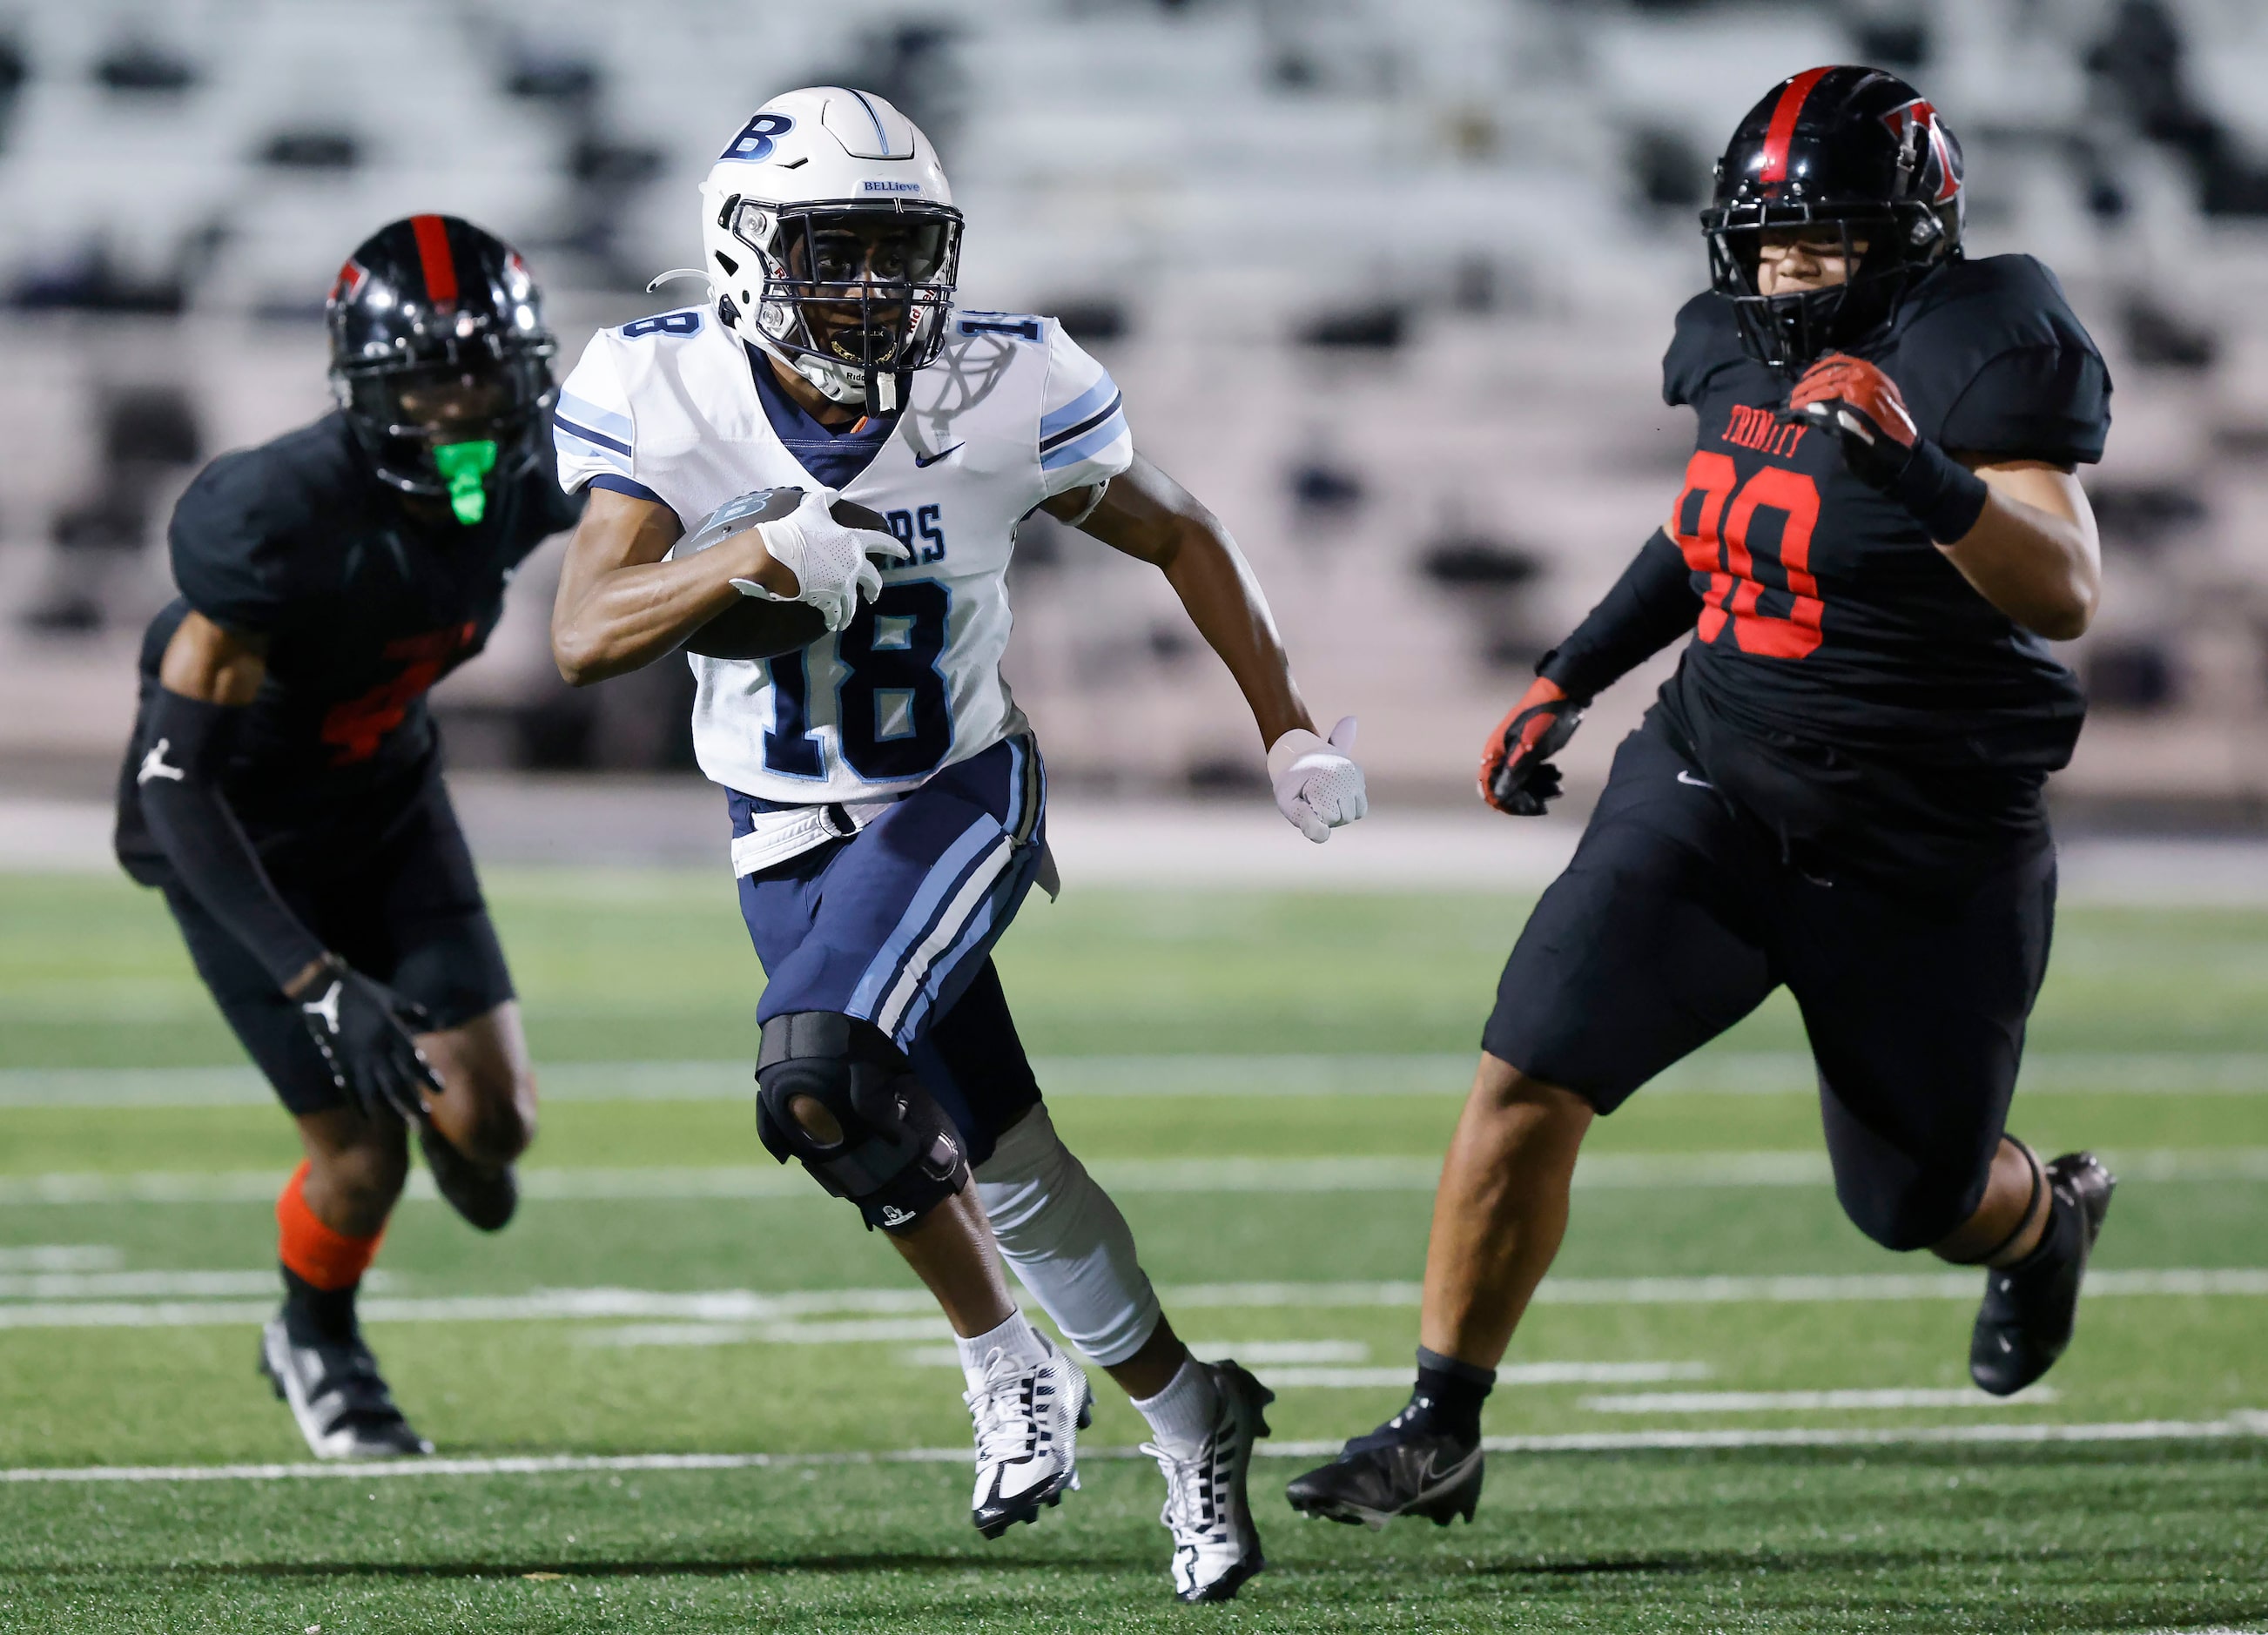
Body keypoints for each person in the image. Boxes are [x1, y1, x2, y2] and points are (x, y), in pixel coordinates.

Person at [548, 86, 1366, 1601]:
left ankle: (1006, 1363)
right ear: (743, 256)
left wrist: (1288, 725)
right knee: (990, 1152)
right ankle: (1191, 1414)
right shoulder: (660, 387)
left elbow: (1179, 528)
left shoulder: (1006, 380)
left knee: (816, 1068)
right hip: (780, 820)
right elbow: (585, 634)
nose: (876, 292)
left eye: (900, 253)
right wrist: (747, 553)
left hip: (958, 789)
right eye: (835, 254)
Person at [1287, 65, 2117, 1529]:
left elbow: (2063, 588)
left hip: (1920, 837)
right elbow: (1715, 516)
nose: (1786, 272)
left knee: (1910, 1202)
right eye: (1767, 242)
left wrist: (1920, 470)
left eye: (1823, 241)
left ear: (1912, 230)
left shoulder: (1986, 340)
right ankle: (1440, 1423)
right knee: (1527, 1065)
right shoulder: (1731, 346)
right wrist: (1572, 671)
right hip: (1712, 776)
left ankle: (2040, 1220)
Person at [113, 216, 580, 1458]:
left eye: (485, 372)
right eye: (430, 378)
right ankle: (314, 1332)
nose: (462, 405)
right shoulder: (273, 515)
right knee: (364, 1152)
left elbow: (647, 508)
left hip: (386, 803)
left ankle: (433, 1158)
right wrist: (317, 981)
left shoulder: (529, 475)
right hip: (239, 835)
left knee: (493, 1130)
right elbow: (174, 783)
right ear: (369, 387)